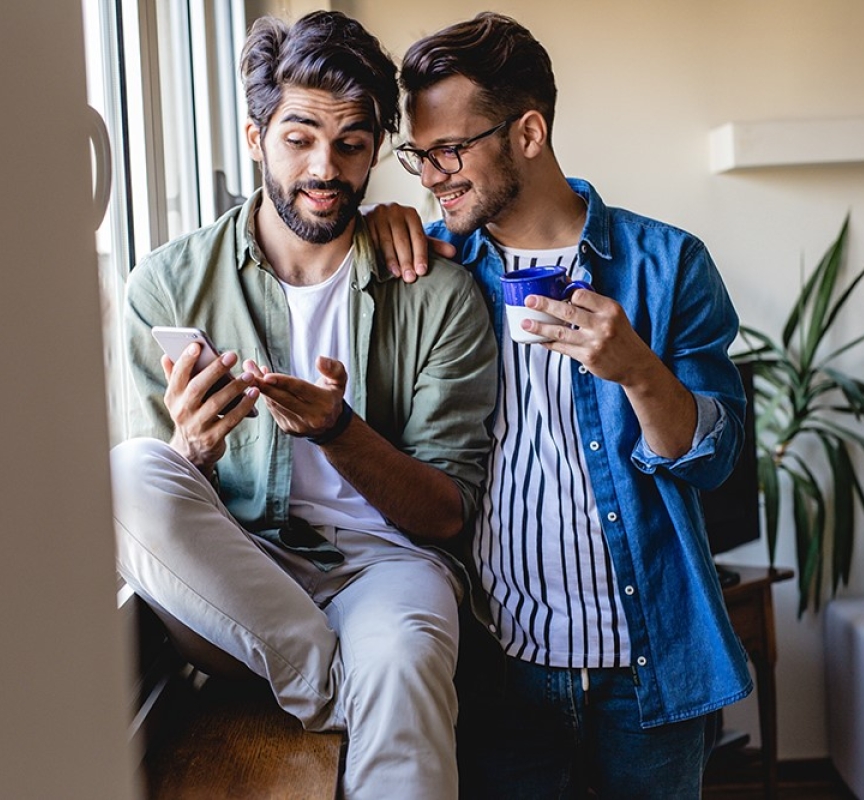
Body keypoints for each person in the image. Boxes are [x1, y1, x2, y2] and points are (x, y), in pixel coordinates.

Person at [109, 11, 497, 800]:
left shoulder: (438, 294)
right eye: (299, 139)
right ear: (255, 138)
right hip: (240, 578)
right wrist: (194, 450)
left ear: (377, 149)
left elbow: (448, 515)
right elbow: (158, 513)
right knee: (129, 471)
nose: (326, 167)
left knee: (409, 657)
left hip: (388, 568)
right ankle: (342, 689)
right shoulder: (167, 284)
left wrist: (338, 431)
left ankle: (354, 684)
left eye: (352, 143)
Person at [365, 12, 752, 799]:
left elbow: (716, 456)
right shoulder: (432, 270)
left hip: (650, 674)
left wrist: (638, 371)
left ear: (529, 133)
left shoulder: (669, 265)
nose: (430, 175)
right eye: (419, 153)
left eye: (449, 150)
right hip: (500, 668)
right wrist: (380, 227)